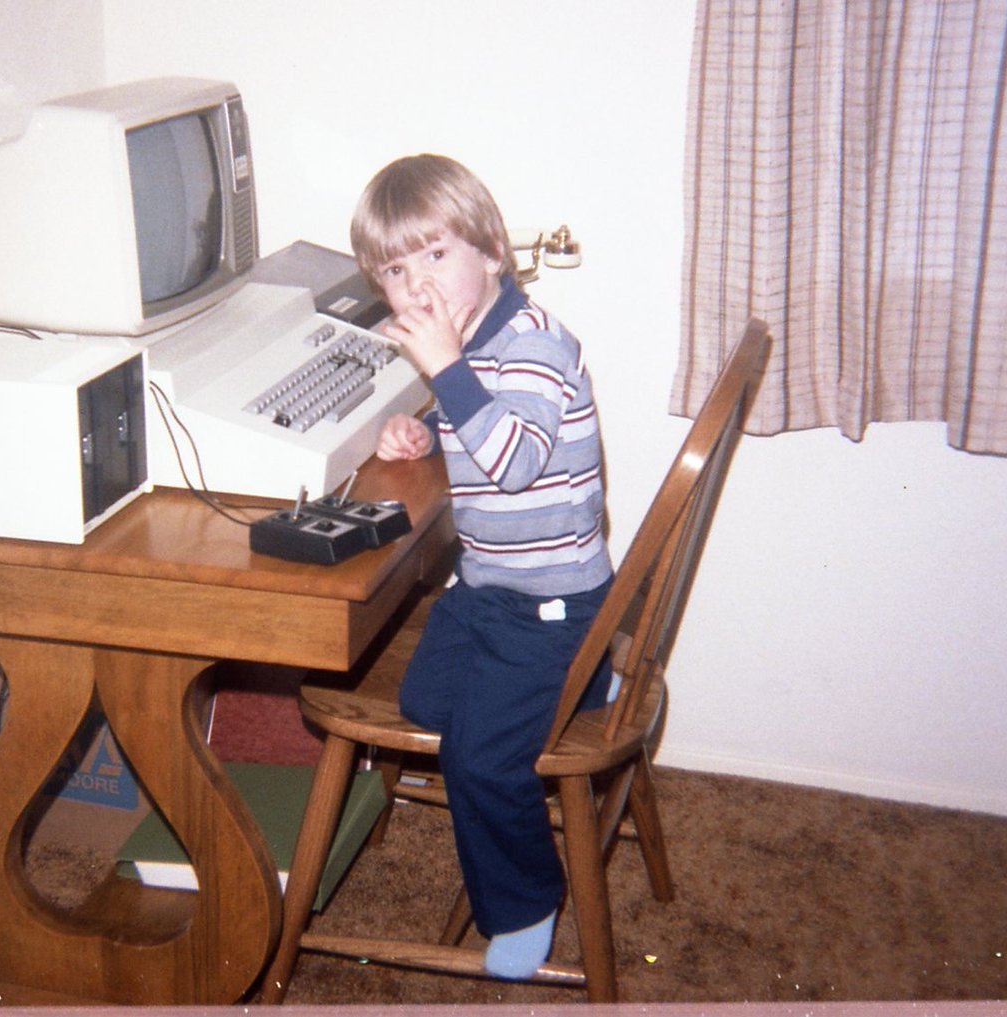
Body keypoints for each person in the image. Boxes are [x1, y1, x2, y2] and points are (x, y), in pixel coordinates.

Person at [350, 154, 615, 979]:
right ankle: (586, 680)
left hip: (551, 606)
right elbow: (475, 417)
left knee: (478, 756)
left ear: (494, 252)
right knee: (424, 703)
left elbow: (516, 461)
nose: (418, 285)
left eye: (436, 255)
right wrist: (425, 430)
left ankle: (526, 900)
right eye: (396, 270)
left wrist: (443, 372)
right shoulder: (472, 340)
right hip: (490, 585)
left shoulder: (534, 343)